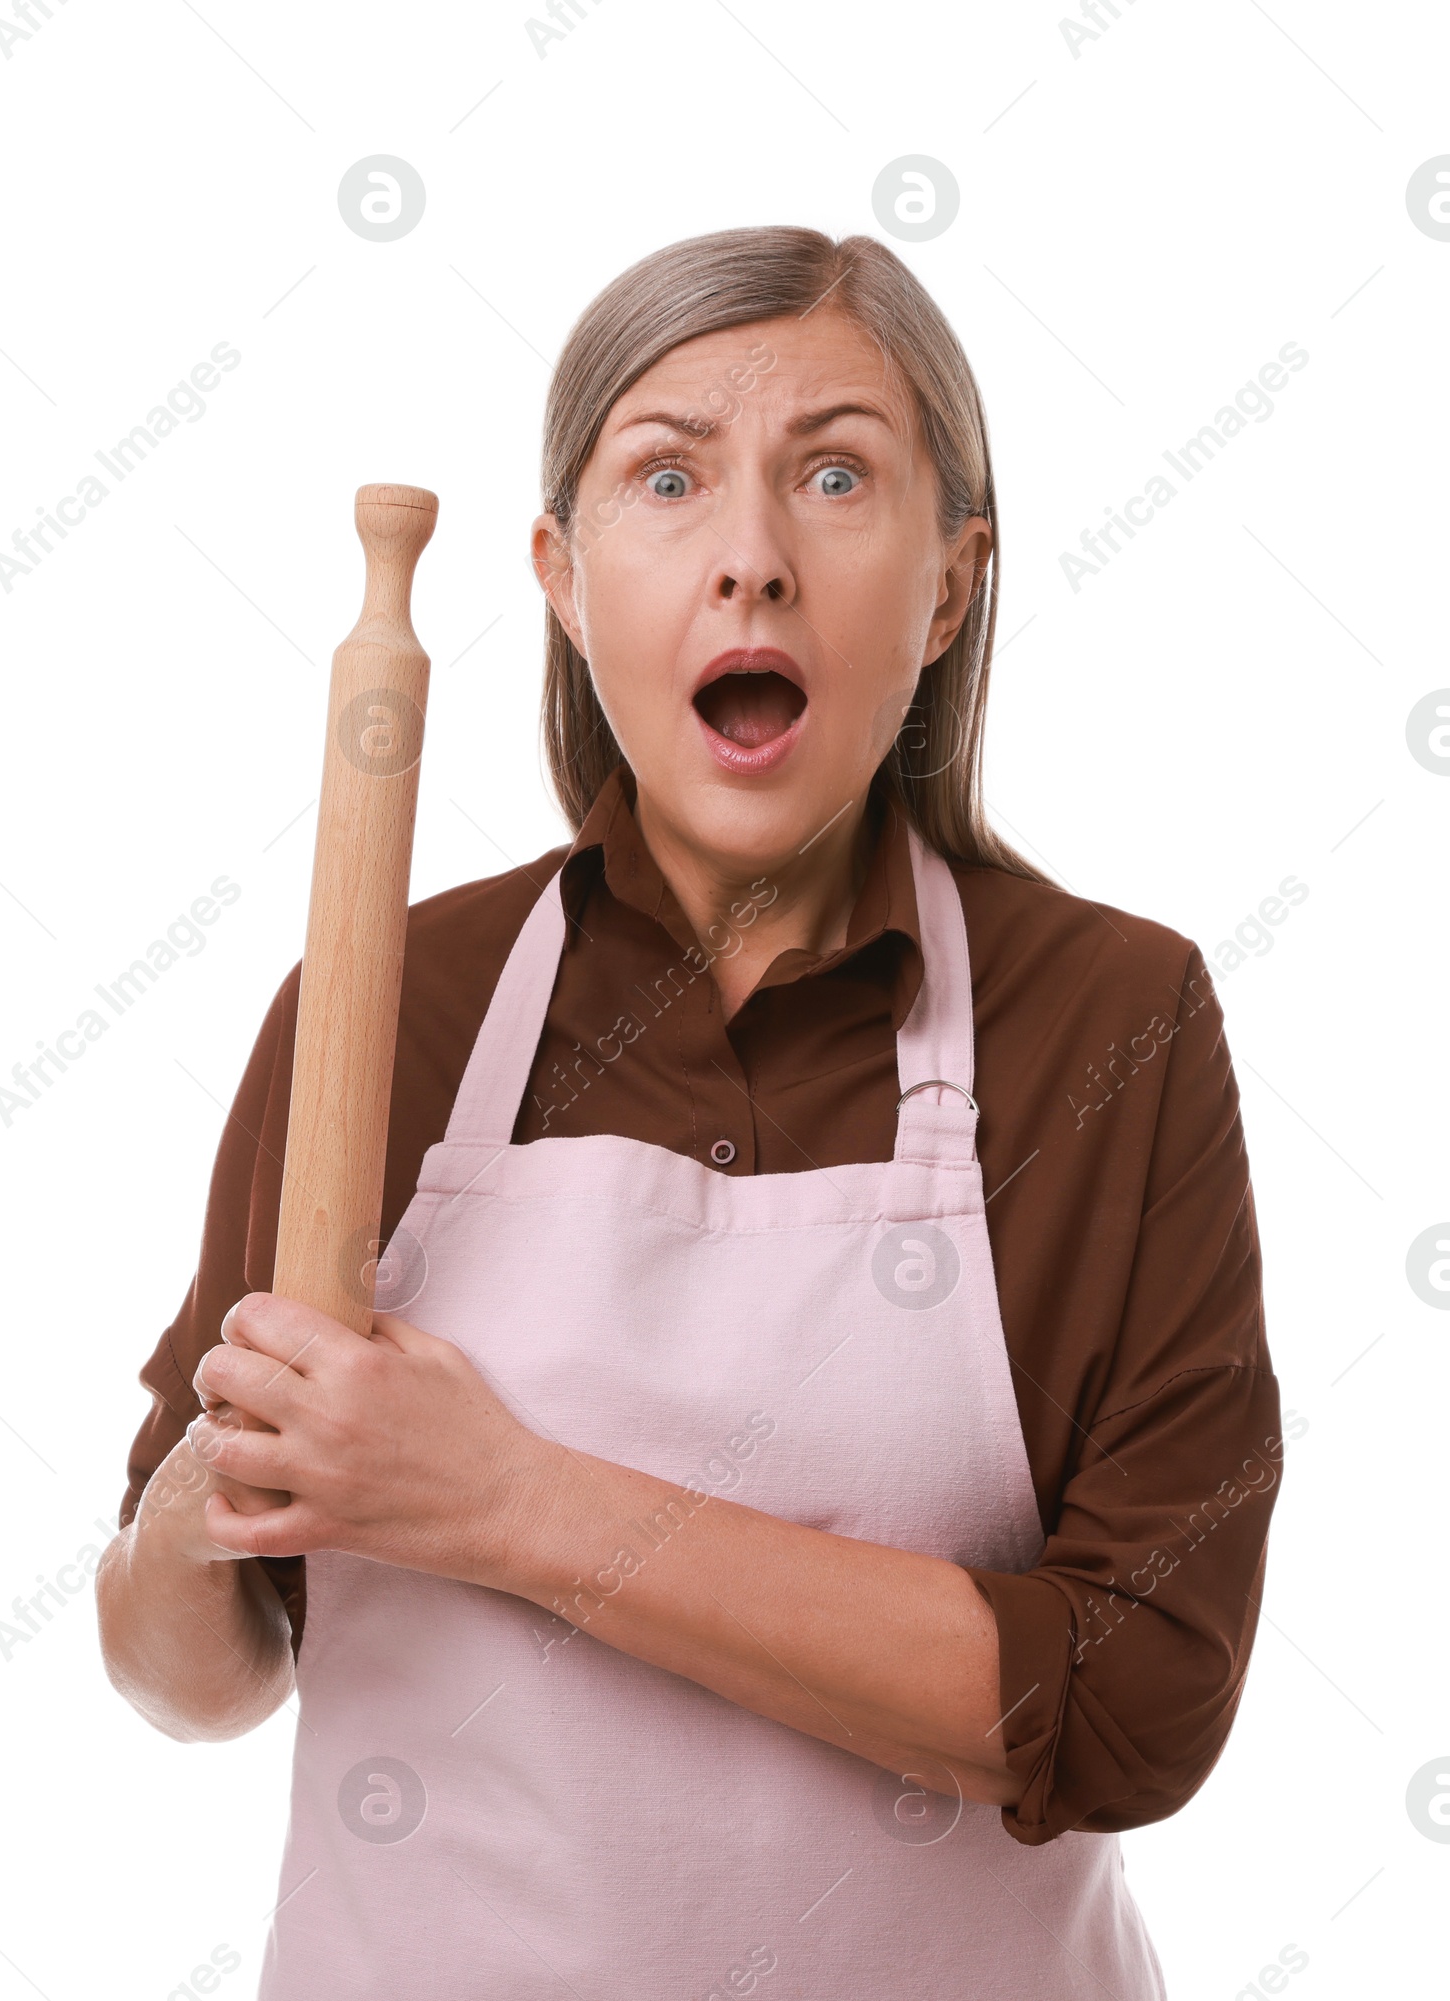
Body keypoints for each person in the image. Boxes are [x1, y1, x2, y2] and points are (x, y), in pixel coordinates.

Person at [97, 226, 1281, 1998]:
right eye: (668, 478)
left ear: (952, 584)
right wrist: (217, 1497)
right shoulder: (385, 1005)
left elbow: (1133, 1703)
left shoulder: (1109, 1023)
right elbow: (190, 1667)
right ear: (565, 580)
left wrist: (500, 1500)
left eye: (833, 473)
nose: (752, 561)